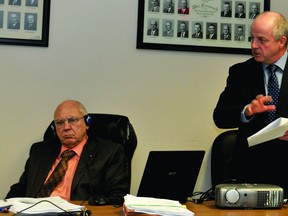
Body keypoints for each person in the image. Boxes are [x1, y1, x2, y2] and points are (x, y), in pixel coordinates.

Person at [213, 11, 288, 198]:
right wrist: (247, 111)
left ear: (282, 41)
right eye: (252, 38)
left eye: (262, 40)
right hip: (252, 174)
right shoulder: (241, 72)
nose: (254, 45)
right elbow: (219, 117)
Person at [6, 100, 129, 202]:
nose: (66, 127)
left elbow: (118, 196)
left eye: (72, 120)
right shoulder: (39, 151)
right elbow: (20, 188)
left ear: (87, 123)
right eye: (60, 123)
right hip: (33, 212)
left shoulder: (109, 152)